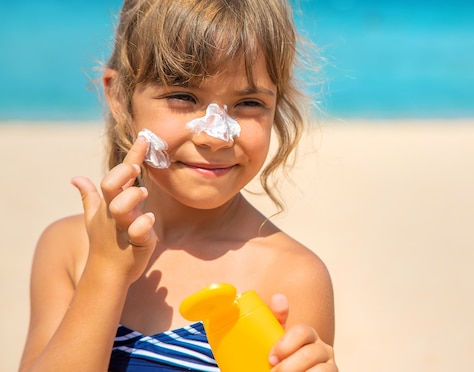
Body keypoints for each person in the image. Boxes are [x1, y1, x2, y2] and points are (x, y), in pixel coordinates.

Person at [18, 0, 336, 370]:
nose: (215, 137)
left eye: (248, 103)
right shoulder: (70, 248)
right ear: (119, 96)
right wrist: (105, 270)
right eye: (183, 97)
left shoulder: (292, 276)